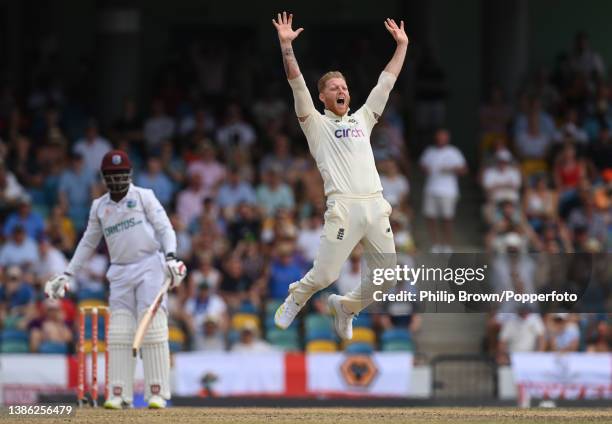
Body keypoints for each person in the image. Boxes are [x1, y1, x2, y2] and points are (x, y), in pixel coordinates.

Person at [271, 12, 407, 339]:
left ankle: (346, 307)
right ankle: (297, 297)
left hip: (375, 205)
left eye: (344, 86)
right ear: (323, 97)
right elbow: (296, 83)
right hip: (343, 206)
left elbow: (385, 83)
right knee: (326, 274)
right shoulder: (315, 124)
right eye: (333, 87)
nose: (341, 89)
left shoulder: (363, 119)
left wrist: (401, 46)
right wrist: (286, 46)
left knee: (387, 277)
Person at [44, 150, 187, 409]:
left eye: (121, 174)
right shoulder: (100, 206)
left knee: (153, 329)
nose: (117, 180)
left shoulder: (144, 196)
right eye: (111, 175)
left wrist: (170, 258)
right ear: (104, 177)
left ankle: (157, 393)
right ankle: (118, 393)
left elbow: (165, 228)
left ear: (129, 174)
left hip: (149, 266)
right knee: (119, 332)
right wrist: (67, 273)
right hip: (119, 271)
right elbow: (88, 242)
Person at [420, 129, 467, 253]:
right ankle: (435, 244)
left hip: (448, 191)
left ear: (447, 138)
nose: (441, 139)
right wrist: (426, 169)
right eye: (439, 137)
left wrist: (452, 169)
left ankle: (447, 244)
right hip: (431, 189)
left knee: (447, 218)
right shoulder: (429, 151)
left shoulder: (454, 152)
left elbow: (464, 170)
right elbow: (422, 166)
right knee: (430, 217)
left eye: (443, 137)